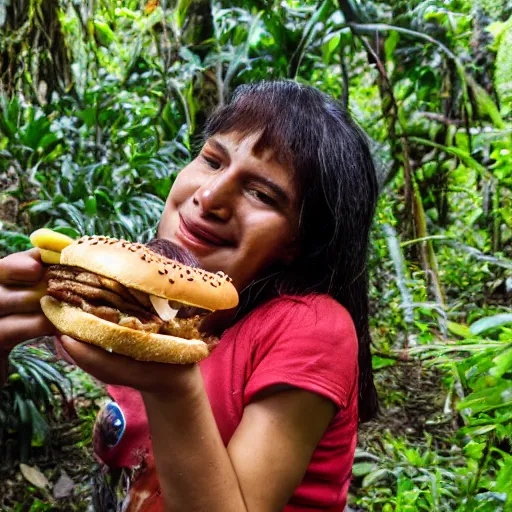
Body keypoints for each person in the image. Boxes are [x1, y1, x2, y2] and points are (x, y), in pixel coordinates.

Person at [0, 80, 379, 511]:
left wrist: (173, 388)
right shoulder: (139, 300)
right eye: (212, 160)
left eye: (261, 194)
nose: (209, 196)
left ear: (300, 241)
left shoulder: (311, 327)